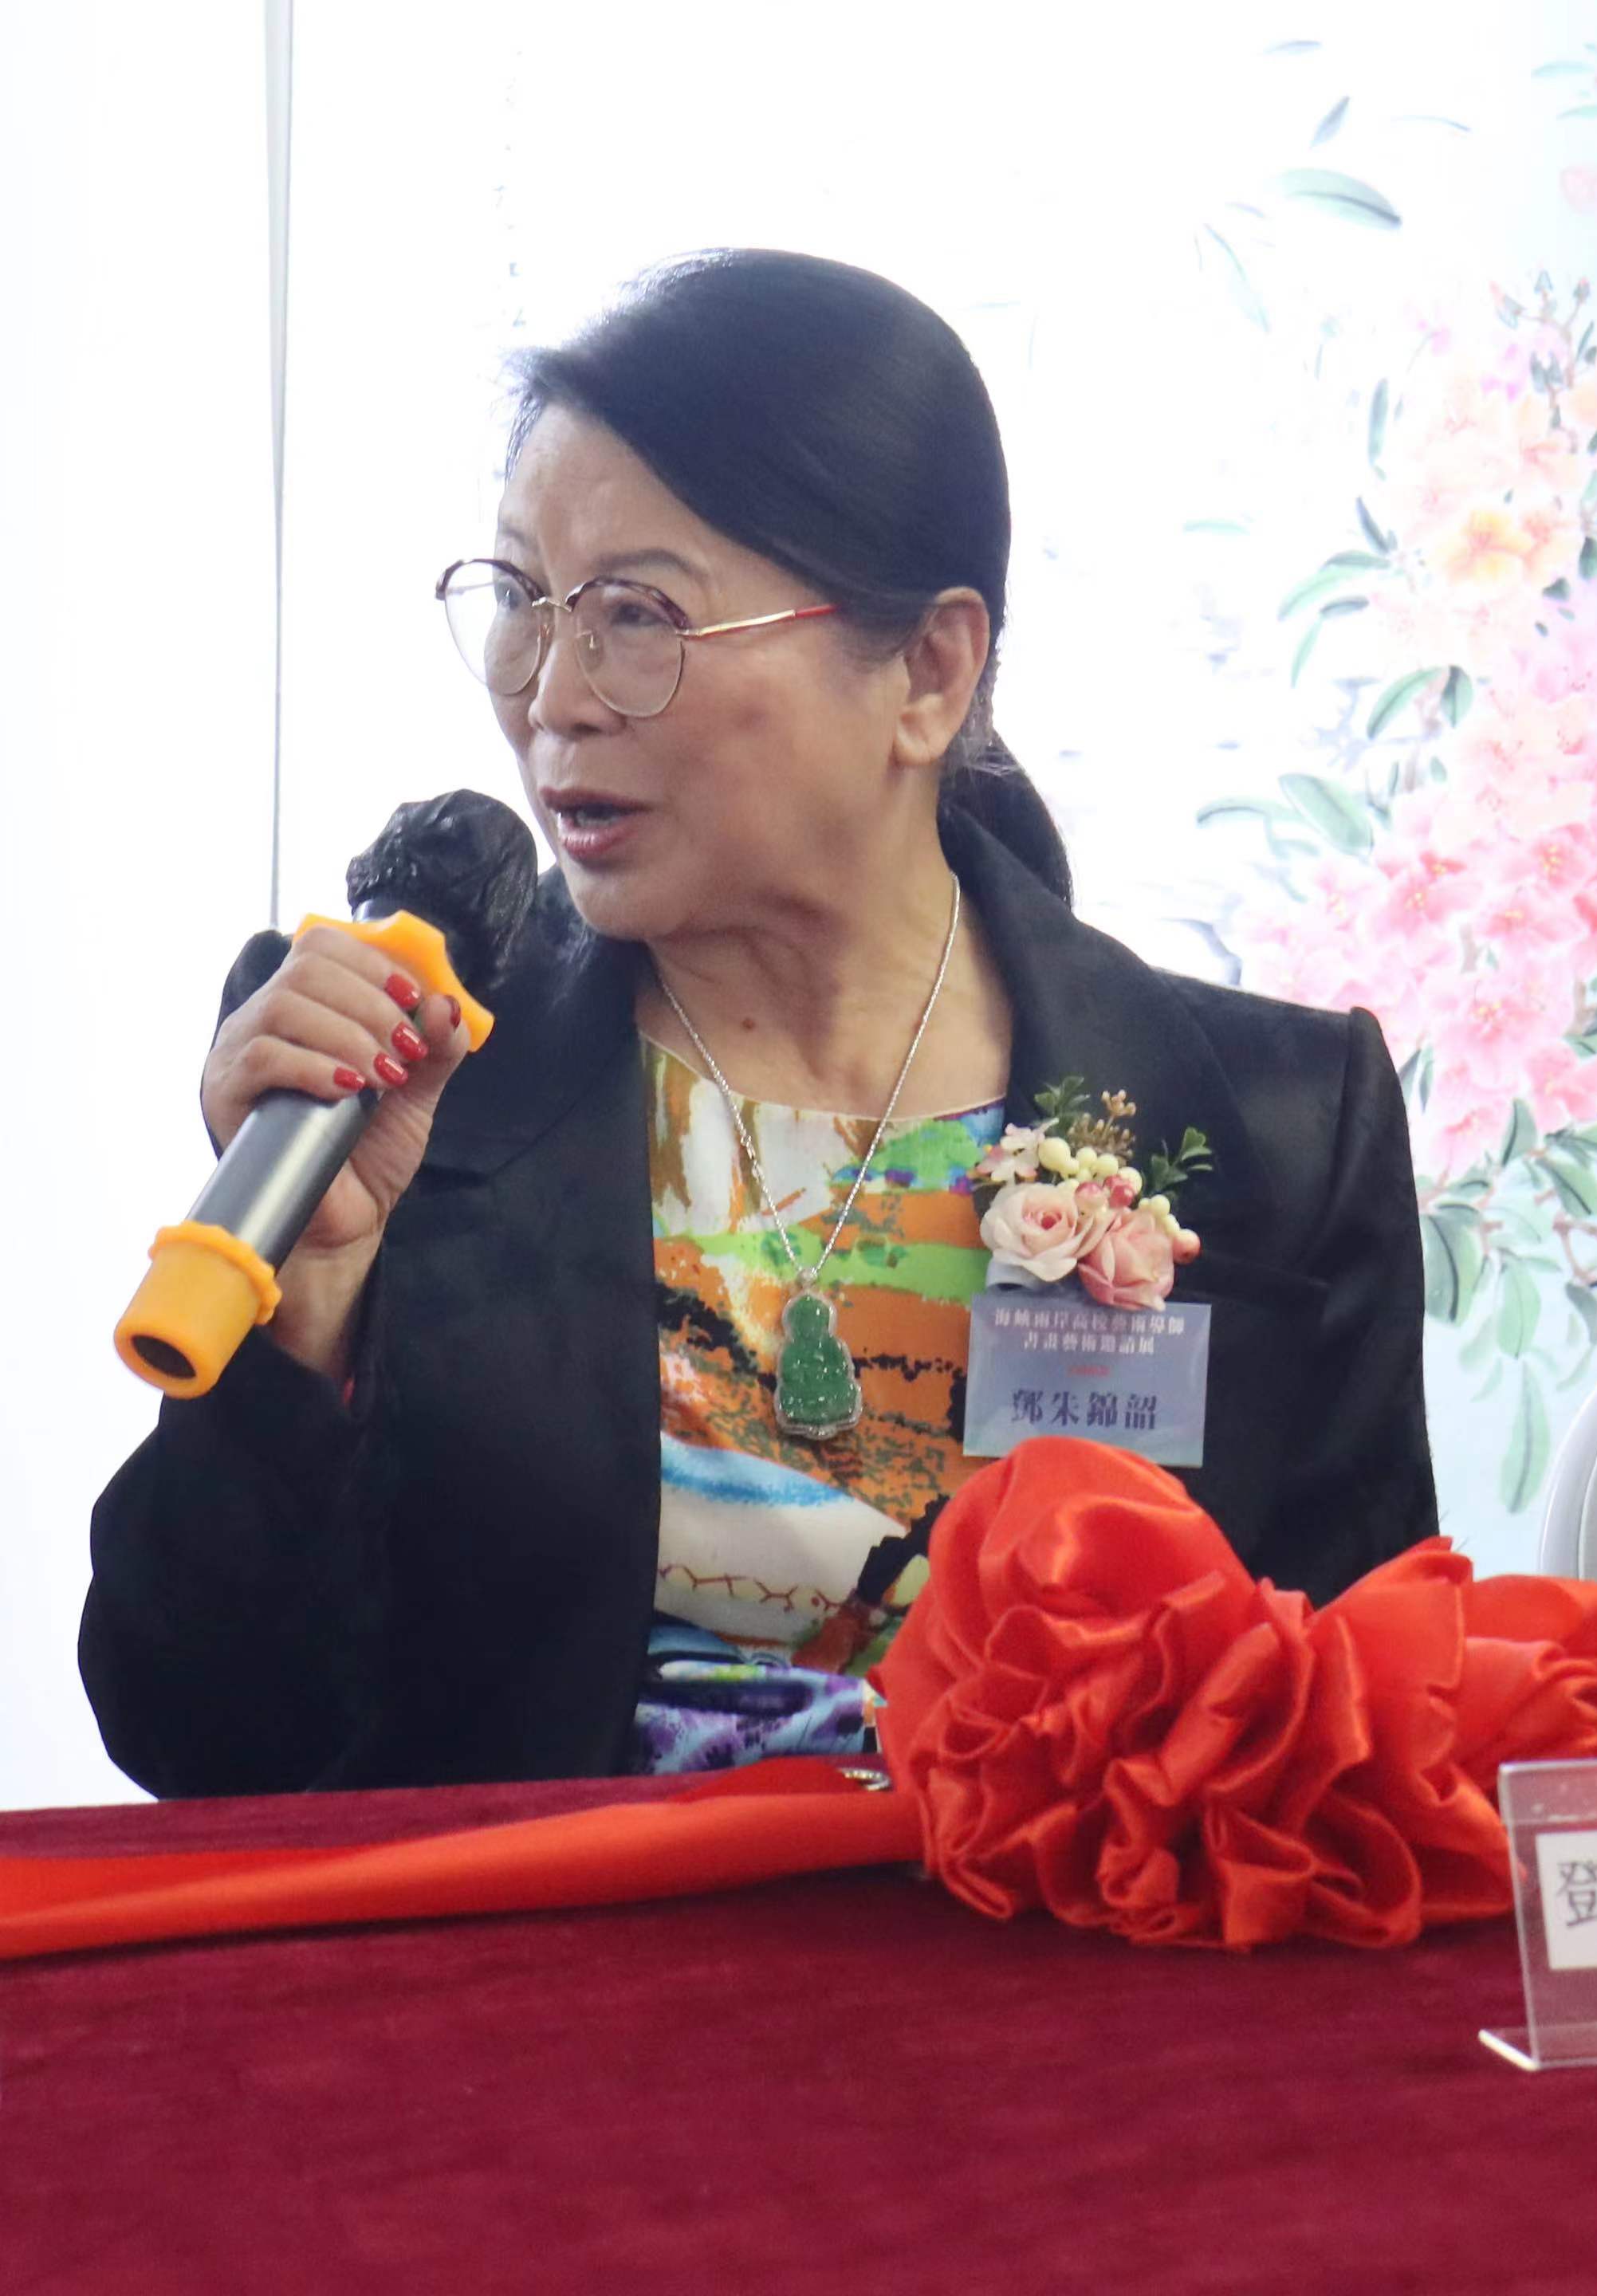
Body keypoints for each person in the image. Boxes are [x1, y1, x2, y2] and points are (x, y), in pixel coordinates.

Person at [81, 250, 1437, 1797]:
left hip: (1053, 1959)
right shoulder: (405, 1079)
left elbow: (1361, 1752)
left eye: (638, 616)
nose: (553, 694)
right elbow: (204, 1748)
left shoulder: (1275, 1122)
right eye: (522, 602)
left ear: (926, 671)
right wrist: (310, 1303)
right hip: (541, 1951)